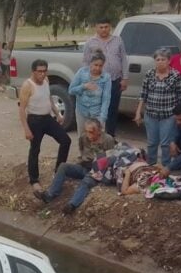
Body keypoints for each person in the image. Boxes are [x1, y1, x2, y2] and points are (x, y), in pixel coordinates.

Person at [33, 118, 116, 214]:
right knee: (63, 166)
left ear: (99, 131)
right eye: (87, 132)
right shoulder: (83, 138)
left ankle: (72, 204)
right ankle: (50, 194)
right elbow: (82, 153)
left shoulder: (108, 140)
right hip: (85, 165)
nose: (89, 136)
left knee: (86, 182)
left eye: (92, 132)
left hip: (98, 170)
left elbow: (111, 159)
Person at [19, 59, 71, 193]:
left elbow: (48, 99)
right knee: (35, 149)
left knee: (66, 140)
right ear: (33, 72)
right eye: (39, 72)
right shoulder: (27, 86)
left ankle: (58, 171)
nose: (42, 74)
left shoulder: (46, 81)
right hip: (34, 120)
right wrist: (26, 129)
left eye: (44, 71)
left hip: (47, 118)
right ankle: (34, 180)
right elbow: (21, 109)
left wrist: (58, 114)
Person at [134, 48, 181, 166]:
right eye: (158, 59)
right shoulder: (149, 74)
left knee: (165, 143)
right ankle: (151, 165)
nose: (160, 62)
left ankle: (166, 167)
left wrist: (179, 117)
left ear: (169, 61)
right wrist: (138, 112)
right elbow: (143, 94)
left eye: (163, 59)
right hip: (151, 114)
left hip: (168, 116)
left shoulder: (176, 75)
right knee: (151, 142)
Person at [82, 19, 129, 136]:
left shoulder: (118, 40)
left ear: (110, 27)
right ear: (96, 28)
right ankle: (97, 137)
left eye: (106, 27)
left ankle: (110, 138)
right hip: (98, 82)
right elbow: (86, 62)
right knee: (97, 110)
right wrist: (88, 80)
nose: (104, 29)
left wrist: (125, 78)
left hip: (114, 81)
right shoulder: (90, 43)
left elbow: (123, 59)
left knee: (112, 110)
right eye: (101, 27)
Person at [69, 53, 111, 155]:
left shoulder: (106, 78)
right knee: (83, 136)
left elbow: (106, 99)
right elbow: (71, 90)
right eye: (95, 65)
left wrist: (102, 118)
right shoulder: (81, 73)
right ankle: (83, 158)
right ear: (90, 64)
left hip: (96, 112)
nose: (97, 68)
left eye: (100, 66)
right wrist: (84, 86)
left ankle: (98, 162)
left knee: (98, 138)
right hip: (82, 110)